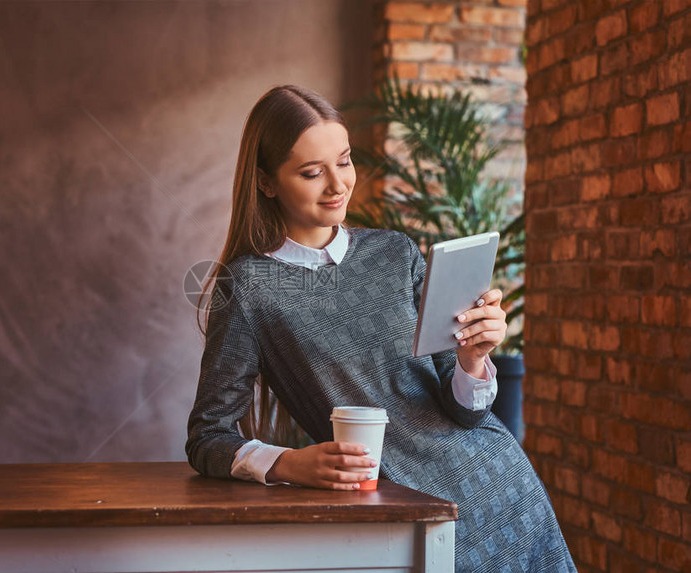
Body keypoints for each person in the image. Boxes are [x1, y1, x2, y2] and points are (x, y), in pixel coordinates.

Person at [186, 85, 576, 572]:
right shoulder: (248, 287)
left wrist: (473, 359)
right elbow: (208, 436)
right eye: (312, 172)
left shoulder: (396, 253)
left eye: (344, 161)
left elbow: (466, 413)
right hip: (401, 508)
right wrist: (289, 463)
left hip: (502, 487)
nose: (338, 185)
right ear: (266, 183)